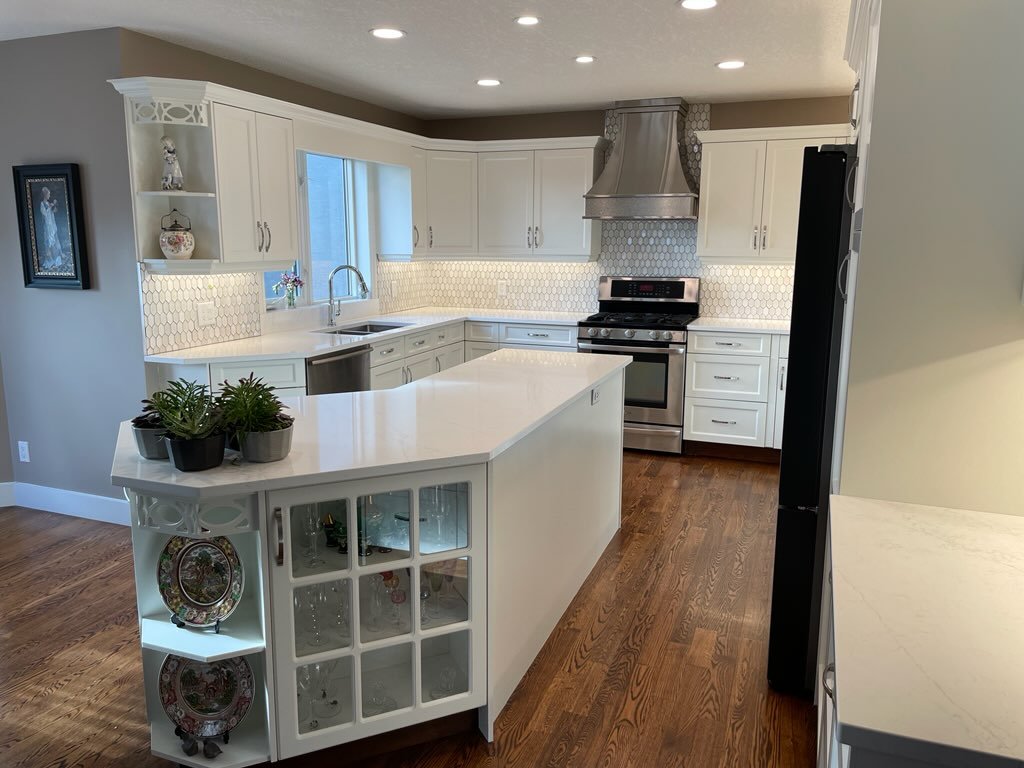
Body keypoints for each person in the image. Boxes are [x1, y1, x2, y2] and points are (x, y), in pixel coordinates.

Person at [37, 186, 62, 270]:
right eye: (48, 194)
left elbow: (54, 212)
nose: (49, 195)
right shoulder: (42, 204)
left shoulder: (48, 203)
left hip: (52, 225)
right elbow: (44, 215)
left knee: (54, 241)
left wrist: (54, 205)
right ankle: (50, 260)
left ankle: (56, 259)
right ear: (45, 194)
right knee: (48, 242)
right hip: (47, 226)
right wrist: (49, 208)